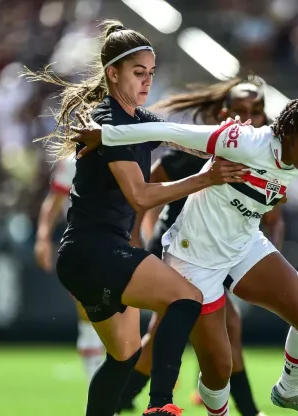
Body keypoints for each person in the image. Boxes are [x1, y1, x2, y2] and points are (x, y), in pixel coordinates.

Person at [73, 87, 298, 415]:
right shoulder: (242, 141)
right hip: (194, 259)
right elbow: (170, 131)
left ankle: (288, 392)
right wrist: (107, 134)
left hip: (244, 245)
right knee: (219, 371)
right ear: (289, 133)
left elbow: (266, 195)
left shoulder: (296, 162)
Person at [23, 20, 248, 416]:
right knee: (187, 297)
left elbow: (187, 141)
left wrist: (233, 140)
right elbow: (141, 195)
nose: (146, 81)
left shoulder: (138, 121)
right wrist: (208, 177)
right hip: (97, 251)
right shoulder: (107, 122)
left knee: (123, 358)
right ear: (113, 73)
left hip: (84, 257)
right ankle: (160, 404)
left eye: (151, 74)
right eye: (138, 72)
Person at [118, 77, 282, 416]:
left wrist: (267, 259)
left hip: (220, 255)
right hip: (182, 249)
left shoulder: (266, 158)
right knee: (213, 328)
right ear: (224, 114)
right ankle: (247, 410)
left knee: (176, 333)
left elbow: (274, 218)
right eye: (240, 111)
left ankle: (124, 397)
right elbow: (145, 191)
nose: (249, 119)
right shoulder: (201, 150)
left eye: (257, 112)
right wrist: (140, 238)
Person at [34, 156, 105, 382]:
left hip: (120, 241)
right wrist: (43, 236)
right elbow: (55, 199)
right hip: (84, 245)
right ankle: (96, 387)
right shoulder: (74, 161)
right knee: (89, 314)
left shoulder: (130, 149)